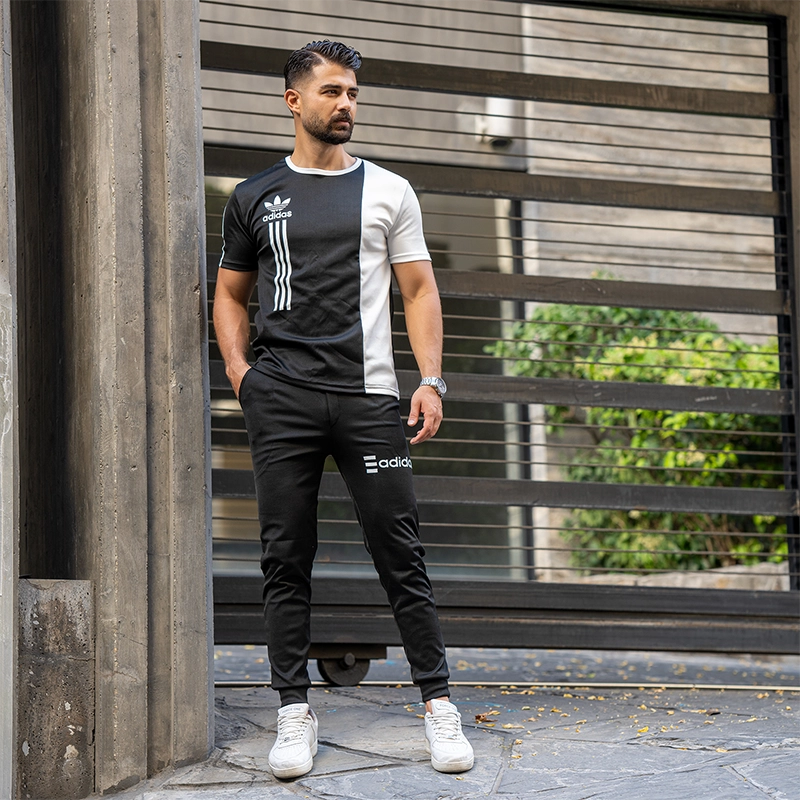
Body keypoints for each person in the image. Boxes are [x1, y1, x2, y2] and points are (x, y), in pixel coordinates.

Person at [212, 39, 473, 780]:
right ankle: (293, 709)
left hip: (369, 400)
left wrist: (431, 380)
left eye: (353, 92)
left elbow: (419, 290)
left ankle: (438, 704)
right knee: (284, 555)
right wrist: (241, 373)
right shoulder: (254, 195)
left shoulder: (389, 189)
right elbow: (229, 293)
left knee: (400, 552)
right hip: (283, 398)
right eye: (332, 91)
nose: (346, 104)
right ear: (293, 100)